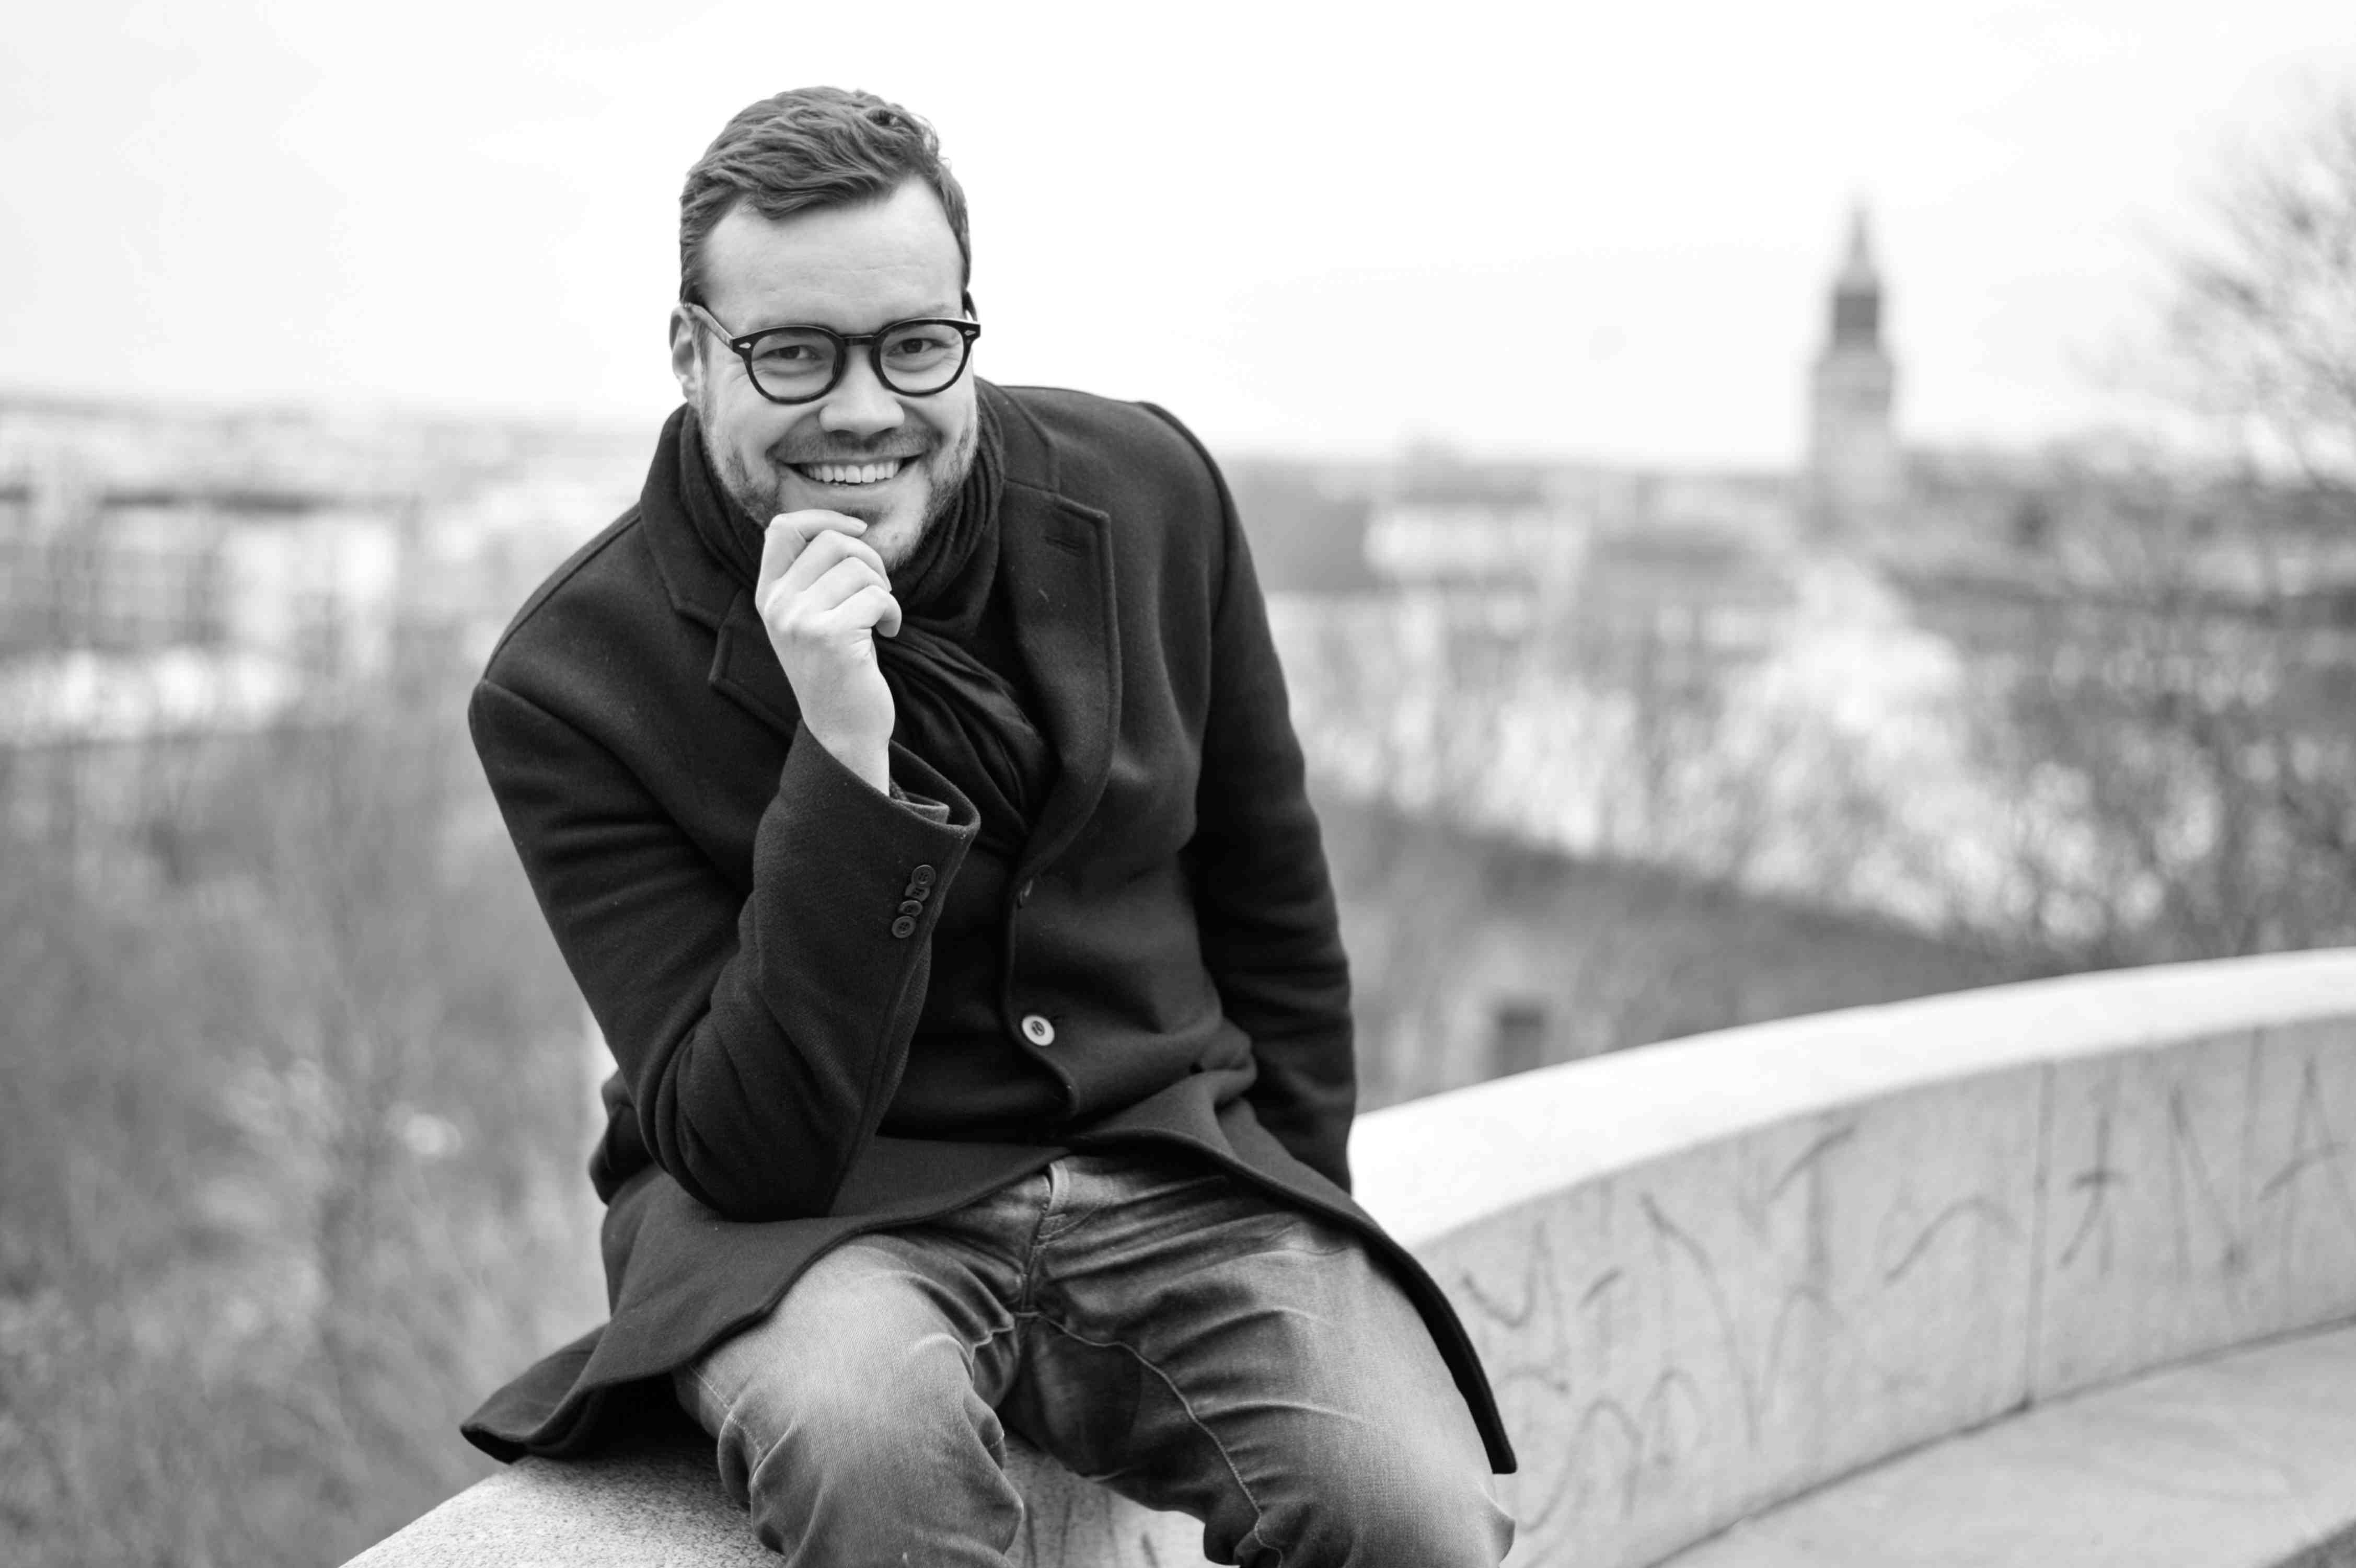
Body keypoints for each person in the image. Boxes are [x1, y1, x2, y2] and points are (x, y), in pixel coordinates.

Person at [461, 85, 1516, 1566]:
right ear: (691, 354)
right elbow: (747, 1145)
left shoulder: (1149, 494)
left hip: (1169, 1163)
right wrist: (843, 758)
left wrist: (1302, 1230)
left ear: (966, 328)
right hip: (820, 1227)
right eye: (792, 353)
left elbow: (1273, 904)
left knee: (1410, 1509)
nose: (862, 409)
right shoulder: (571, 684)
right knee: (868, 1451)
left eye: (913, 345)